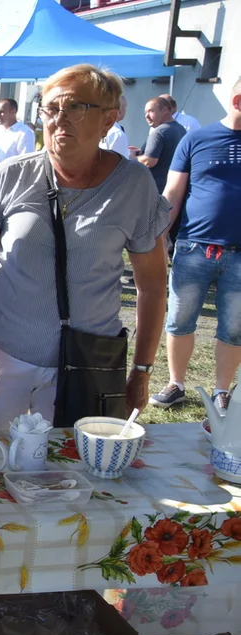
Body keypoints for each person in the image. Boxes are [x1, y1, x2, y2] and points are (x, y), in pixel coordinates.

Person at [0, 65, 169, 430]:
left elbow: (152, 285)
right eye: (50, 108)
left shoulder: (134, 185)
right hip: (2, 358)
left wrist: (141, 370)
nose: (59, 119)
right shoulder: (12, 175)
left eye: (75, 107)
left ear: (108, 119)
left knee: (68, 477)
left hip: (87, 362)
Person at [150, 77, 241, 415]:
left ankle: (221, 391)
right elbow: (172, 194)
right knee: (179, 319)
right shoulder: (196, 139)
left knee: (233, 327)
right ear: (238, 101)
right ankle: (176, 384)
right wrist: (158, 237)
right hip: (194, 248)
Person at [130, 96, 186, 194]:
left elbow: (149, 161)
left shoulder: (159, 132)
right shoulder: (181, 129)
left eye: (151, 111)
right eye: (145, 112)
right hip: (174, 189)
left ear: (164, 110)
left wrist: (132, 156)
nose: (146, 116)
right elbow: (167, 152)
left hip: (155, 190)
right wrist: (142, 151)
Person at [0, 98, 36, 169]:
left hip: (11, 179)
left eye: (1, 112)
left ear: (13, 112)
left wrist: (0, 166)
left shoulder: (25, 133)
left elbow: (26, 164)